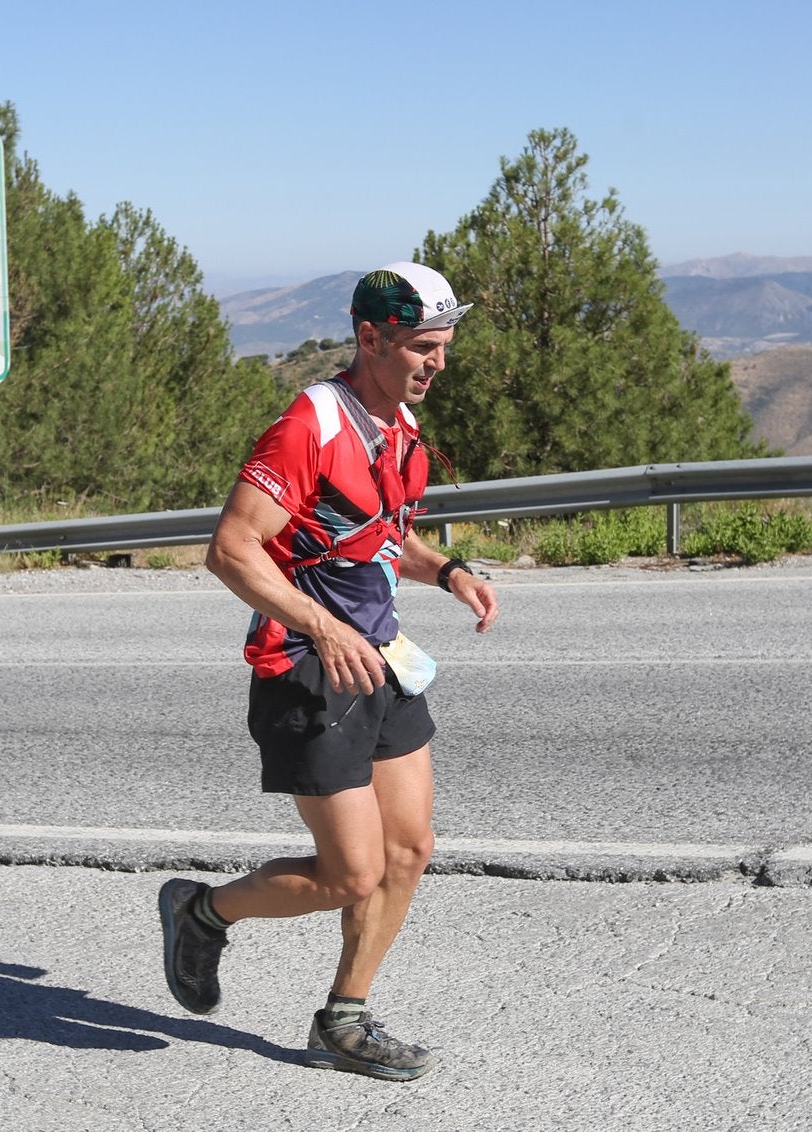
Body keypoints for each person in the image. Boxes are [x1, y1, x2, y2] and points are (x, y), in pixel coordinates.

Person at [159, 262, 499, 1082]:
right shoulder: (309, 425)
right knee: (351, 874)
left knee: (409, 849)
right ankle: (202, 913)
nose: (437, 363)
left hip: (380, 657)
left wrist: (448, 571)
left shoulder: (400, 425)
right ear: (370, 337)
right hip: (306, 667)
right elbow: (231, 549)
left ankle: (343, 1021)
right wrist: (320, 624)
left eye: (445, 346)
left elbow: (376, 533)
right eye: (422, 347)